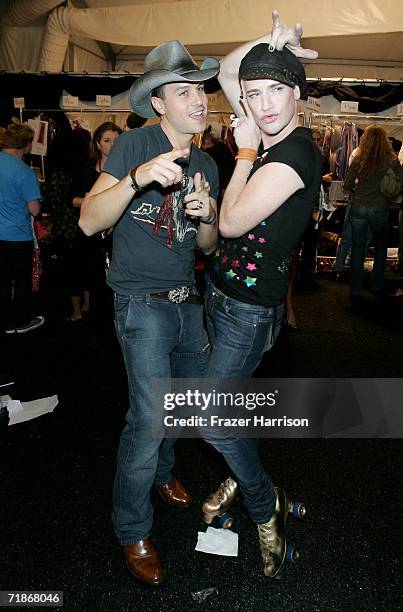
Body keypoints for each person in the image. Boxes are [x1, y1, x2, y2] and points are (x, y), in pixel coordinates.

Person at [79, 40, 220, 586]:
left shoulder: (206, 159)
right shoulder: (135, 145)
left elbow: (206, 246)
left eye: (201, 89)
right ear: (159, 103)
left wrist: (207, 213)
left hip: (188, 303)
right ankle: (131, 529)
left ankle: (163, 474)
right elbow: (90, 221)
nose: (199, 99)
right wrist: (137, 178)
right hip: (140, 306)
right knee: (147, 419)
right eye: (184, 92)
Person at [200, 18, 322, 578]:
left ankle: (261, 501)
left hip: (249, 312)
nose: (264, 103)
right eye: (254, 95)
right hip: (219, 295)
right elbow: (228, 70)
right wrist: (269, 46)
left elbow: (228, 223)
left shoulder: (293, 156)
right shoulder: (263, 122)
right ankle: (247, 479)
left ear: (299, 93)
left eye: (278, 89)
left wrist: (245, 152)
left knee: (214, 419)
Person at [343, 125, 403, 304]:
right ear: (385, 140)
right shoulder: (391, 159)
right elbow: (401, 182)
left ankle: (355, 289)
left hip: (359, 207)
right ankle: (377, 285)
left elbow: (346, 185)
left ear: (365, 139)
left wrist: (357, 188)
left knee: (358, 249)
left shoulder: (359, 157)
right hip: (379, 208)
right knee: (380, 248)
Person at [0, 123, 44, 334]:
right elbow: (34, 210)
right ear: (25, 145)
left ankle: (6, 323)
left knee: (2, 281)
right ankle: (21, 322)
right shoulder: (24, 172)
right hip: (17, 236)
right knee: (21, 281)